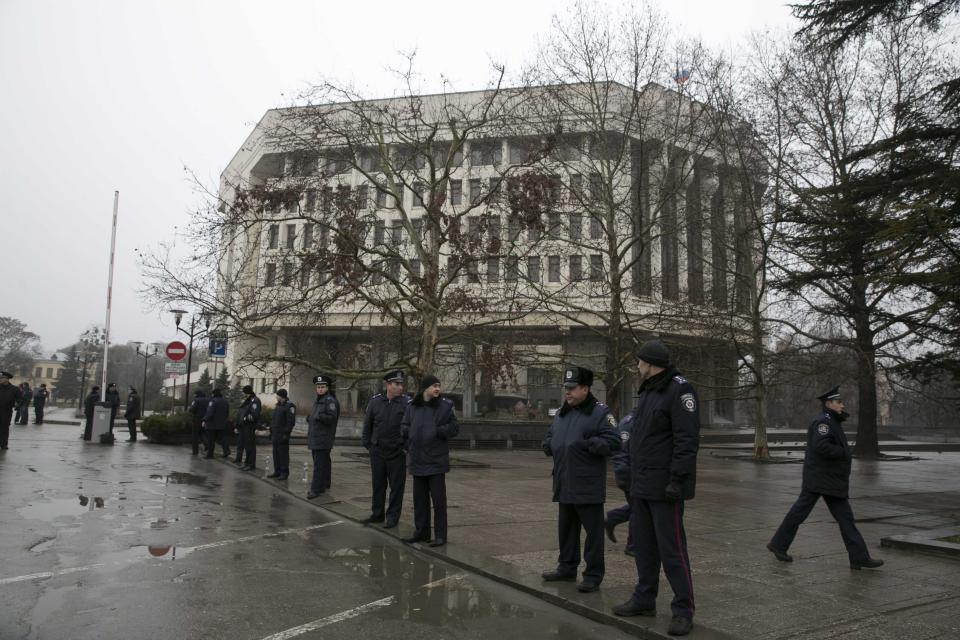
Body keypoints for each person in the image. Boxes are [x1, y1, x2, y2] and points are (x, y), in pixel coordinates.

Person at [613, 340, 699, 638]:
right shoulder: (649, 389)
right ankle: (644, 598)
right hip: (642, 485)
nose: (637, 366)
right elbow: (640, 438)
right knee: (645, 549)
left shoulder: (680, 390)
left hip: (665, 488)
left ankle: (683, 609)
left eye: (639, 362)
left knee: (672, 550)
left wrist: (677, 479)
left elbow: (686, 440)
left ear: (650, 363)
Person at [767, 385, 884, 570]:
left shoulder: (832, 421)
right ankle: (778, 544)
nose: (842, 405)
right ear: (829, 403)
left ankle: (859, 557)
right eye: (839, 402)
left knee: (845, 519)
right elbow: (821, 446)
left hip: (828, 480)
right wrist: (843, 453)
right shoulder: (823, 422)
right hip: (820, 480)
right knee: (800, 513)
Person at [541, 365, 620, 593]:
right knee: (566, 530)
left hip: (587, 483)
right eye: (566, 388)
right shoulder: (563, 412)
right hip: (564, 481)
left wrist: (591, 445)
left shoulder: (600, 413)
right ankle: (566, 568)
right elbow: (551, 434)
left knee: (593, 534)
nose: (567, 392)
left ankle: (593, 574)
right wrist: (548, 445)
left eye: (572, 388)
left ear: (585, 389)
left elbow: (614, 442)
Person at [400, 374, 459, 547]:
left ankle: (440, 536)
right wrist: (408, 443)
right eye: (434, 386)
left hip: (436, 461)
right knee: (420, 501)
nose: (437, 389)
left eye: (439, 386)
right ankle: (421, 533)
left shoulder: (446, 406)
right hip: (417, 459)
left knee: (439, 501)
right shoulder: (412, 406)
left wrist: (439, 431)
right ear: (425, 388)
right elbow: (404, 426)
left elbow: (455, 428)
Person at [361, 370, 410, 528]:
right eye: (397, 384)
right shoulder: (375, 402)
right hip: (378, 451)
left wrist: (404, 447)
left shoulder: (406, 403)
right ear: (388, 385)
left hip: (397, 452)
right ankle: (377, 514)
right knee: (378, 484)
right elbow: (367, 424)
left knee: (396, 487)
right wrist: (368, 444)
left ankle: (392, 517)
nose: (400, 387)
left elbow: (410, 427)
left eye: (401, 384)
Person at [607, 414, 636, 556]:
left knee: (638, 507)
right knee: (639, 510)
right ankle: (633, 546)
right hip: (630, 474)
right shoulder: (630, 422)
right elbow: (621, 451)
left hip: (638, 474)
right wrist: (624, 475)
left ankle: (612, 518)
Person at [307, 374, 339, 499]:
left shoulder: (330, 401)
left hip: (323, 439)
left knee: (319, 466)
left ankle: (315, 490)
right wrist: (310, 418)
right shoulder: (318, 400)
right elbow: (315, 415)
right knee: (321, 463)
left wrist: (319, 417)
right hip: (316, 438)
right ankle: (322, 485)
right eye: (318, 387)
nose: (320, 389)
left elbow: (332, 418)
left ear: (327, 388)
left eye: (322, 387)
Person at [267, 389, 296, 479]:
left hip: (282, 435)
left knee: (283, 454)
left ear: (281, 396)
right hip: (275, 434)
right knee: (276, 454)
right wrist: (271, 431)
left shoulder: (289, 406)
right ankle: (277, 471)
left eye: (277, 395)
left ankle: (284, 472)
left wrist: (286, 433)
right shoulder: (278, 406)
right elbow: (274, 420)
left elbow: (290, 422)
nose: (276, 397)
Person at [234, 385, 262, 471]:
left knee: (250, 446)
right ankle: (246, 462)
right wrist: (238, 424)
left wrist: (246, 418)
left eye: (244, 393)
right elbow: (241, 413)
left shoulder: (255, 400)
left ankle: (251, 464)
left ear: (247, 393)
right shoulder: (247, 400)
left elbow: (255, 414)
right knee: (246, 446)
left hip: (250, 426)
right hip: (243, 426)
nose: (243, 394)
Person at [202, 388, 231, 459]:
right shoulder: (225, 401)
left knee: (211, 440)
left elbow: (209, 412)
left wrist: (204, 420)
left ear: (214, 394)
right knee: (222, 438)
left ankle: (210, 454)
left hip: (212, 424)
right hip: (222, 424)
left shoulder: (213, 401)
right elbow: (227, 413)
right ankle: (226, 451)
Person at [0, 372, 22, 450]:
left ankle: (3, 444)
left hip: (7, 411)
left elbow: (20, 399)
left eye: (1, 378)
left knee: (5, 427)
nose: (0, 379)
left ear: (6, 379)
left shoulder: (14, 389)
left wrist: (17, 404)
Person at [188, 390, 208, 455]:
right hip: (205, 419)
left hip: (197, 419)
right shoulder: (208, 400)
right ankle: (207, 444)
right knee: (202, 433)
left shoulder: (196, 400)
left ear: (197, 394)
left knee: (195, 435)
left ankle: (195, 451)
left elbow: (192, 409)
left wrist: (190, 409)